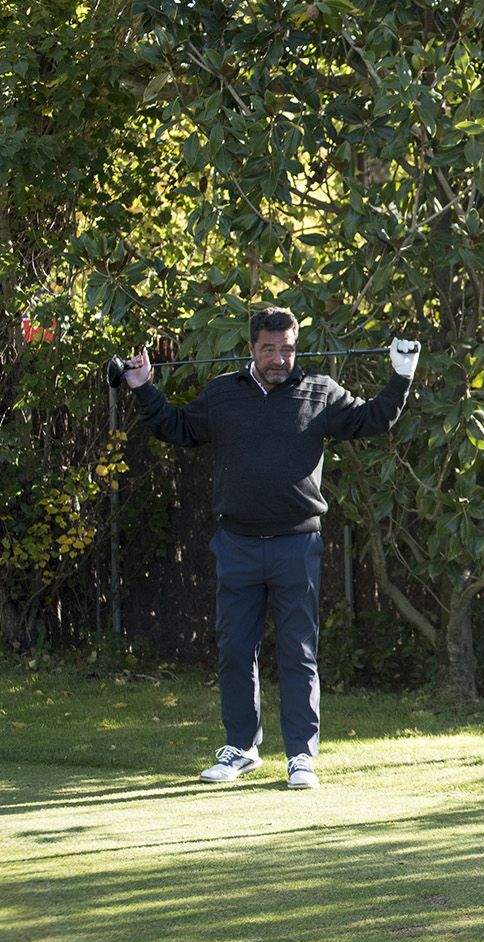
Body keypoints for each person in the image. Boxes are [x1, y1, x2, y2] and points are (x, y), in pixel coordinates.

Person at [121, 307, 419, 789]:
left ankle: (301, 755)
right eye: (269, 349)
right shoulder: (223, 394)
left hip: (296, 544)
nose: (279, 359)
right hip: (237, 543)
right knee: (236, 651)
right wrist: (142, 386)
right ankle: (241, 748)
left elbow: (372, 419)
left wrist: (401, 376)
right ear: (252, 348)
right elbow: (177, 427)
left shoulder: (319, 391)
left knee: (298, 652)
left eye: (287, 349)